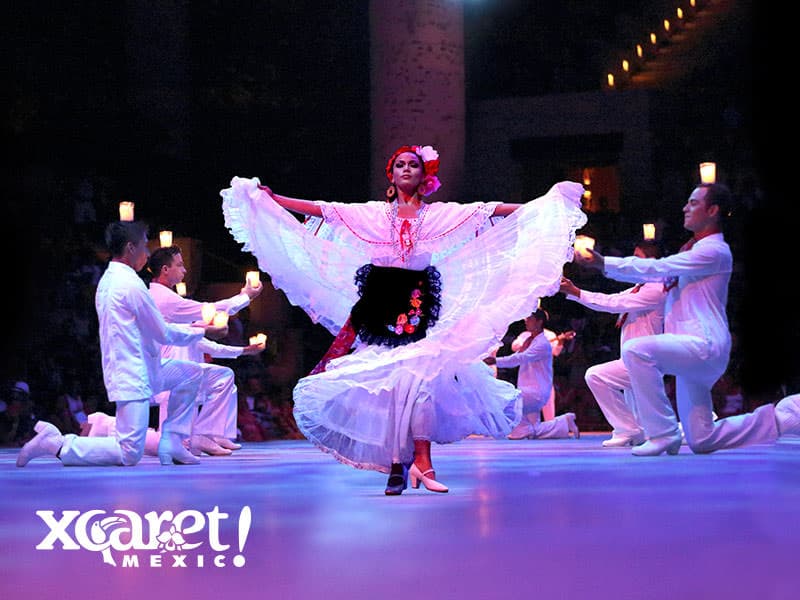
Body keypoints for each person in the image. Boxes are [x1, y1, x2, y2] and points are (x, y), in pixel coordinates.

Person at [221, 144, 586, 493]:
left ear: (424, 174)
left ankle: (422, 462)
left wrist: (544, 205)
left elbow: (487, 211)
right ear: (391, 174)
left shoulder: (437, 215)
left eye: (413, 164)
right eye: (400, 165)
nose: (407, 169)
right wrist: (275, 200)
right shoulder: (373, 215)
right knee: (395, 388)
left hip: (420, 309)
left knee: (421, 384)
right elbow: (324, 210)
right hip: (381, 309)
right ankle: (400, 462)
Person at [575, 183, 800, 455]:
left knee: (636, 350)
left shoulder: (713, 251)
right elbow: (654, 275)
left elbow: (658, 267)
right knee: (703, 438)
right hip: (692, 349)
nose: (685, 208)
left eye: (693, 203)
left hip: (704, 344)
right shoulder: (694, 251)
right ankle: (785, 416)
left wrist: (604, 263)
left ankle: (663, 433)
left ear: (713, 210)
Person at [17, 220, 216, 467]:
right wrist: (203, 330)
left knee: (191, 374)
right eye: (144, 246)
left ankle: (173, 441)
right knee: (129, 452)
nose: (147, 253)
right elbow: (162, 332)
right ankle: (57, 443)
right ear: (131, 247)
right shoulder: (129, 284)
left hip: (144, 366)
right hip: (132, 373)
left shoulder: (111, 279)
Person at [560, 240, 666, 447]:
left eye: (638, 258)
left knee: (596, 375)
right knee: (651, 428)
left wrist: (577, 292)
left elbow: (614, 304)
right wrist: (574, 291)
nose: (633, 262)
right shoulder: (639, 288)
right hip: (634, 359)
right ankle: (637, 431)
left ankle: (628, 430)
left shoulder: (656, 288)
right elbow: (611, 298)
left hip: (644, 362)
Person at [485, 308, 580, 440]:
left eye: (529, 319)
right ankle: (564, 422)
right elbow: (516, 354)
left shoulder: (542, 343)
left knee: (503, 398)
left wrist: (496, 361)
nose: (526, 321)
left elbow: (521, 358)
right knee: (535, 430)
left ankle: (524, 429)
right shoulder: (529, 339)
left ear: (539, 322)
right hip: (529, 390)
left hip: (535, 392)